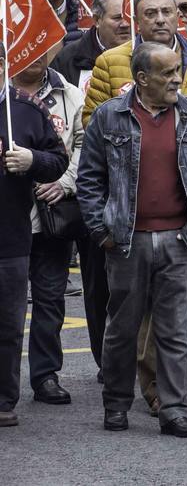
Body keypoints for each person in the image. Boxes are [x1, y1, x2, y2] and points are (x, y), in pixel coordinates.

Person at [82, 0, 187, 414]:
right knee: (125, 324)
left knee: (174, 323)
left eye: (170, 11)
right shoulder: (111, 80)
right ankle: (119, 401)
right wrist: (101, 227)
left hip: (184, 229)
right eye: (153, 12)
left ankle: (169, 403)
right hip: (127, 233)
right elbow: (93, 163)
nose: (164, 19)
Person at [0, 51, 70, 428]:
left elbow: (57, 159)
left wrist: (31, 161)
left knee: (8, 325)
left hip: (9, 236)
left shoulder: (26, 110)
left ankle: (3, 399)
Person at [14, 49, 84, 407]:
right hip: (9, 220)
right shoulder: (4, 95)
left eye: (44, 48)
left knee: (50, 300)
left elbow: (84, 145)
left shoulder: (69, 94)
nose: (36, 56)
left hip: (52, 218)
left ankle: (45, 375)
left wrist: (65, 182)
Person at [53, 0, 131, 90]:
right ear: (97, 20)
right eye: (117, 18)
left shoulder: (147, 52)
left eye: (128, 16)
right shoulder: (67, 59)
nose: (125, 24)